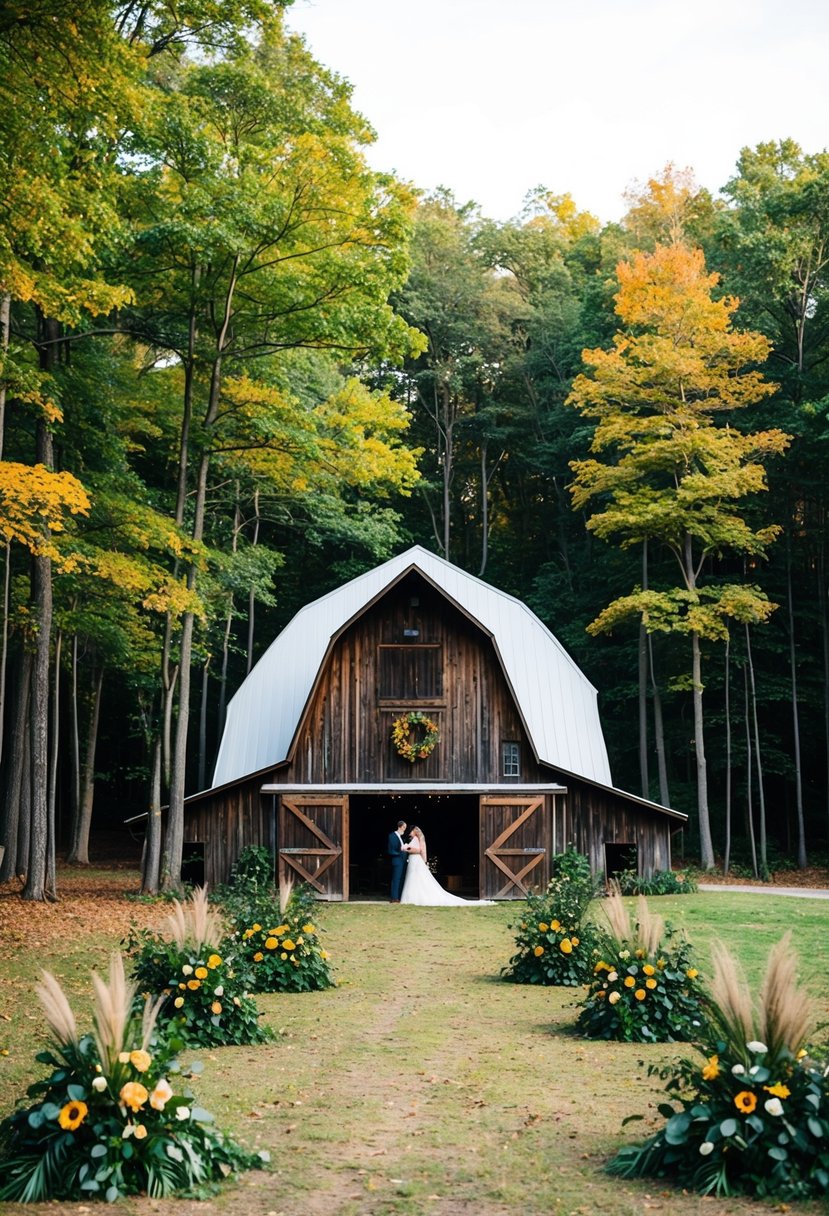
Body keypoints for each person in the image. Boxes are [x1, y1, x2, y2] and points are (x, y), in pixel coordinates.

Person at [400, 826, 494, 906]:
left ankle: (416, 897)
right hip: (414, 860)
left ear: (414, 831)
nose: (410, 834)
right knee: (415, 878)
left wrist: (407, 848)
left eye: (411, 832)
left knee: (417, 878)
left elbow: (419, 850)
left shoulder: (416, 839)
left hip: (416, 860)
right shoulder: (414, 839)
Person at [387, 819, 408, 902]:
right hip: (397, 860)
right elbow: (391, 850)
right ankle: (394, 898)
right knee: (396, 879)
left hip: (402, 861)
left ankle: (398, 897)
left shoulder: (400, 837)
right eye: (403, 827)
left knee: (400, 879)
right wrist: (401, 851)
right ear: (399, 826)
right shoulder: (392, 836)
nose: (404, 829)